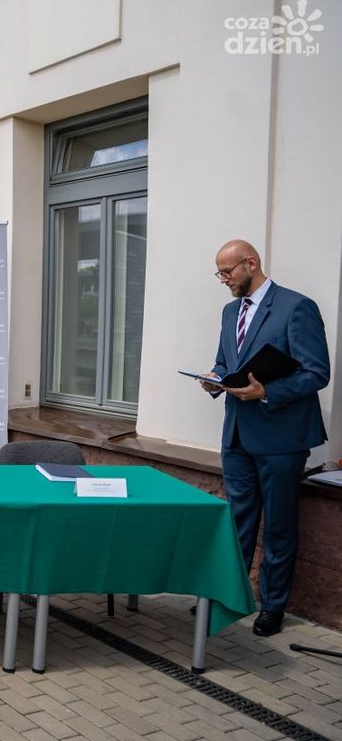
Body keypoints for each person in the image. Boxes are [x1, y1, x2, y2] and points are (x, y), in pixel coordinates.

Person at [200, 239, 329, 637]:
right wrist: (215, 379)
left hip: (281, 438)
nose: (222, 280)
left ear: (250, 264)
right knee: (237, 519)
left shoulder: (297, 307)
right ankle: (230, 596)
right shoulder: (228, 311)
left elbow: (315, 373)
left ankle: (272, 606)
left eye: (227, 272)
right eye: (219, 273)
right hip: (237, 433)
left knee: (278, 526)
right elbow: (227, 361)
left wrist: (267, 392)